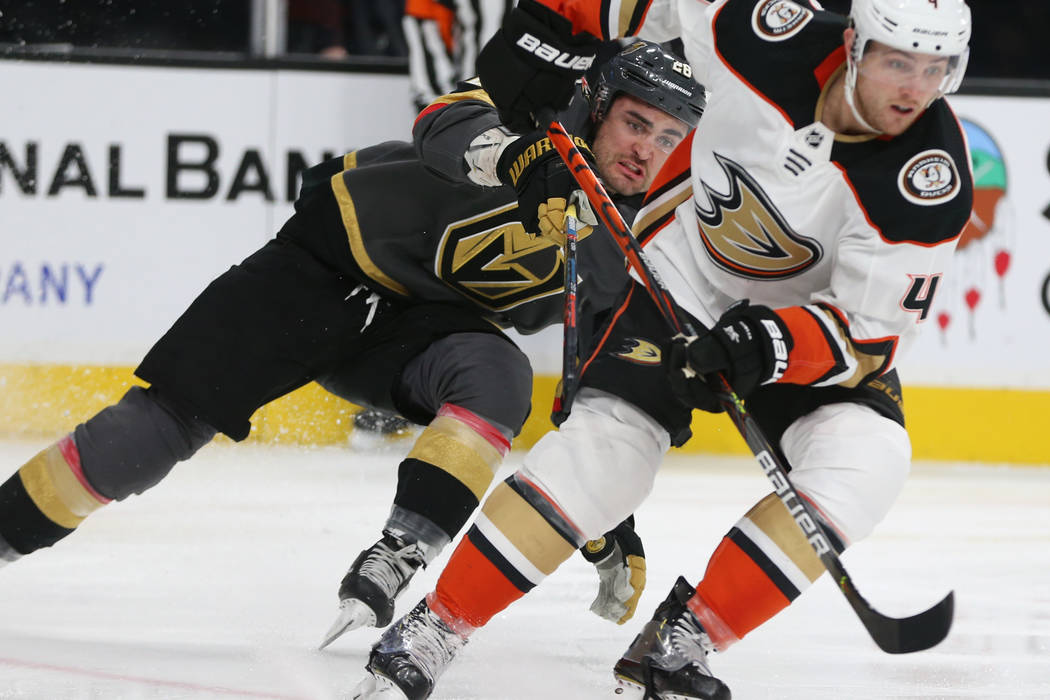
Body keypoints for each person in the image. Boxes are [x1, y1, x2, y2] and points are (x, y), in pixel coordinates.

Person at [352, 0, 974, 699]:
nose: (915, 88)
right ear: (856, 44)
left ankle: (684, 641)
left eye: (936, 68)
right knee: (609, 456)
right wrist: (558, 24)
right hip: (682, 280)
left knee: (869, 461)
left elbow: (867, 336)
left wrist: (765, 344)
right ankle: (435, 625)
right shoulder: (763, 35)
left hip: (805, 328)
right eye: (899, 62)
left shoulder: (928, 182)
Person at [0, 40, 705, 654]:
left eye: (667, 138)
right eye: (635, 123)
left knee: (498, 374)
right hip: (326, 264)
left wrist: (610, 513)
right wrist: (522, 161)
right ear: (600, 105)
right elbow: (441, 120)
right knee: (153, 433)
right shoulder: (541, 107)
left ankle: (399, 551)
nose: (646, 149)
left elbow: (597, 389)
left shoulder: (630, 247)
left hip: (423, 329)